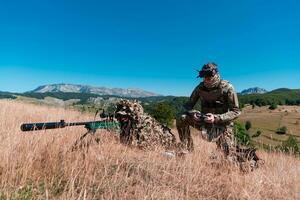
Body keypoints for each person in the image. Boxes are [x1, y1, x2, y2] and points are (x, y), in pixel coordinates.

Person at [176, 62, 250, 163]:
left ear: (216, 74)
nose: (206, 79)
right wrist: (193, 113)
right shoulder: (200, 88)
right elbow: (188, 105)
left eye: (209, 76)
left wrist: (216, 118)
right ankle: (187, 149)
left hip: (222, 125)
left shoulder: (227, 88)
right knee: (182, 117)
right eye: (204, 76)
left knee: (228, 158)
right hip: (204, 121)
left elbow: (236, 111)